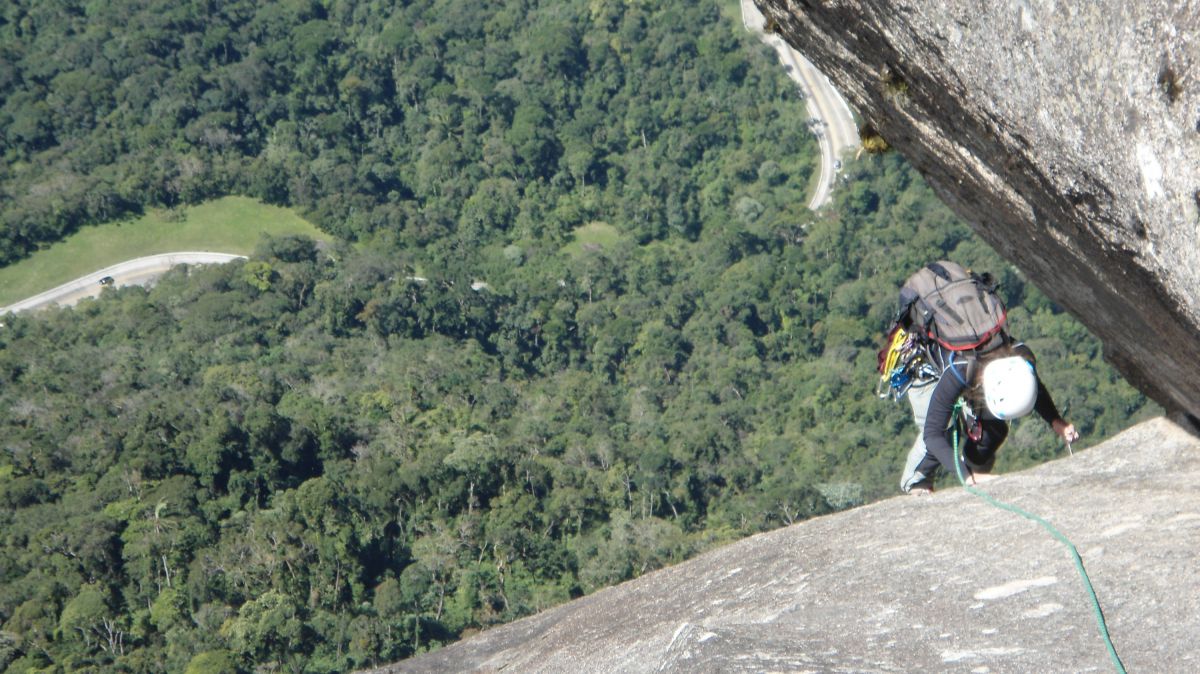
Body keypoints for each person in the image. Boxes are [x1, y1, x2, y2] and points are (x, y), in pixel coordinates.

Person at [885, 262, 1080, 494]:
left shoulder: (1018, 357)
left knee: (994, 429)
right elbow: (932, 434)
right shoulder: (960, 371)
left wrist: (1057, 422)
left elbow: (1030, 384)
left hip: (971, 364)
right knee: (946, 428)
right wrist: (966, 478)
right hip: (922, 364)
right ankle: (916, 481)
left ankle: (975, 466)